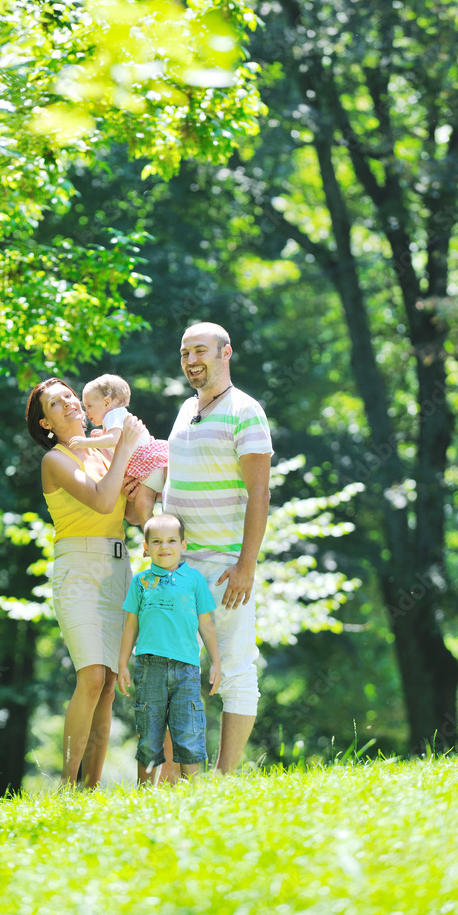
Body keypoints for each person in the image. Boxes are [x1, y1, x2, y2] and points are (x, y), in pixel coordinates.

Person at [161, 321, 273, 775]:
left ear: (226, 353)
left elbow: (260, 493)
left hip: (226, 567)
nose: (191, 361)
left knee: (235, 670)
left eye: (201, 351)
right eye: (185, 353)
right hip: (176, 567)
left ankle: (224, 780)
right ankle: (172, 781)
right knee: (170, 671)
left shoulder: (246, 410)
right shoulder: (186, 409)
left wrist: (246, 564)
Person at [26, 377, 144, 787]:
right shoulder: (56, 460)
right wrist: (125, 446)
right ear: (46, 423)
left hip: (119, 571)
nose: (68, 403)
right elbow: (102, 500)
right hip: (78, 571)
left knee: (109, 684)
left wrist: (136, 485)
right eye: (55, 404)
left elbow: (129, 513)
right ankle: (66, 785)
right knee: (92, 676)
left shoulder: (103, 448)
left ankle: (90, 790)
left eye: (68, 396)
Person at [117, 513, 221, 785]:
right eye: (157, 541)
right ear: (146, 547)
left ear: (183, 545)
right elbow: (130, 625)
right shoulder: (140, 582)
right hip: (148, 668)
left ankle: (192, 793)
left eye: (172, 540)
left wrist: (216, 663)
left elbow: (206, 624)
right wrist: (122, 664)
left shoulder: (194, 580)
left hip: (187, 669)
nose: (164, 546)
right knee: (149, 734)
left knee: (188, 732)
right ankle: (144, 793)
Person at [69, 374, 168, 529]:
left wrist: (85, 442)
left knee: (149, 504)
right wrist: (103, 435)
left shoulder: (113, 414)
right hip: (145, 471)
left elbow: (113, 440)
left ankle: (156, 536)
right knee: (142, 505)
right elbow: (117, 438)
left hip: (151, 462)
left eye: (89, 406)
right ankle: (153, 537)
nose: (86, 412)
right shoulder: (114, 418)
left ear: (107, 402)